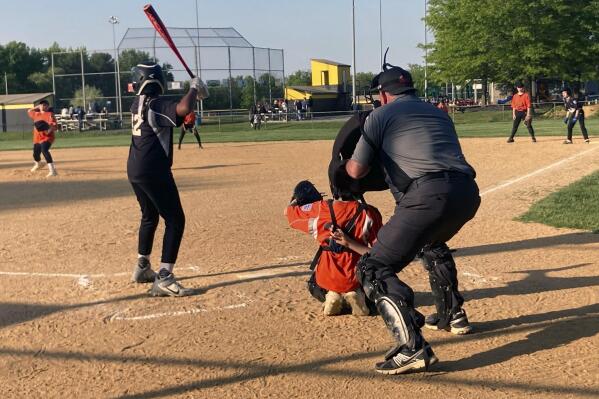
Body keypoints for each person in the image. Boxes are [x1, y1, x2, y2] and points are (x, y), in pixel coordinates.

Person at [343, 64, 480, 374]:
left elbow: (356, 171)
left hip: (427, 195)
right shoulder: (439, 113)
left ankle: (412, 348)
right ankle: (451, 313)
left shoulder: (380, 115)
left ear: (384, 93)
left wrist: (348, 160)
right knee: (430, 241)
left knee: (372, 267)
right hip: (467, 193)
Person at [127, 62, 209, 297]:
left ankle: (142, 266)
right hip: (155, 170)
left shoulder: (138, 103)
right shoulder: (156, 103)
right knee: (175, 219)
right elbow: (182, 108)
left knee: (149, 216)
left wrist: (193, 99)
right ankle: (164, 276)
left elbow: (175, 115)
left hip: (135, 168)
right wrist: (194, 88)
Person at [285, 181, 382, 316]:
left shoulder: (321, 208)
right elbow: (379, 253)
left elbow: (290, 215)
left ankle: (331, 294)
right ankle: (358, 294)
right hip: (356, 276)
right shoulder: (370, 212)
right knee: (378, 279)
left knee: (314, 285)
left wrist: (295, 200)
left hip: (328, 277)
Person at [27, 100, 58, 177]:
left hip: (47, 137)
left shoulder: (50, 114)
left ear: (48, 106)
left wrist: (49, 130)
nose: (43, 106)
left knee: (44, 150)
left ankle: (52, 171)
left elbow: (55, 126)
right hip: (37, 138)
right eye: (41, 105)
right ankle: (39, 164)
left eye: (45, 105)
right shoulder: (36, 114)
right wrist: (38, 106)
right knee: (35, 154)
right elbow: (29, 110)